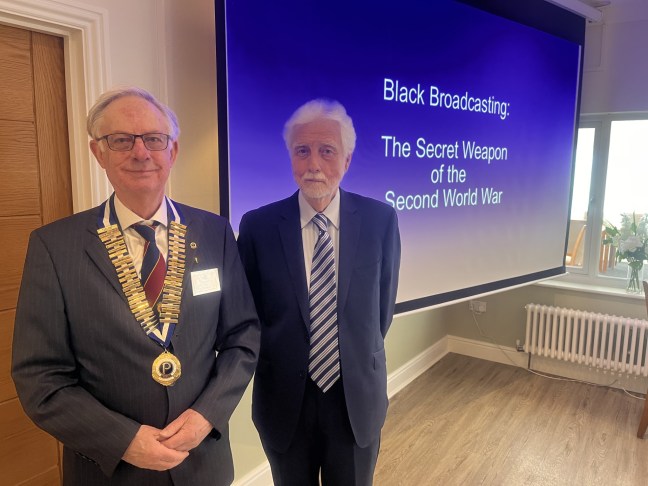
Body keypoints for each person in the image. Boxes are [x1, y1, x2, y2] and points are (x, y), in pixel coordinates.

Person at [11, 86, 260, 486]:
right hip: (111, 472)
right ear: (99, 153)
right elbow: (41, 378)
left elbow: (242, 337)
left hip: (203, 465)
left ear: (172, 151)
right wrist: (123, 440)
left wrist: (206, 415)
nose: (141, 152)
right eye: (122, 140)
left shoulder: (214, 232)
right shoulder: (55, 247)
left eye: (154, 139)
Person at [237, 99, 401, 485]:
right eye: (302, 151)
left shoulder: (379, 220)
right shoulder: (258, 227)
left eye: (327, 150)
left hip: (355, 399)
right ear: (291, 157)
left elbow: (382, 310)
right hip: (284, 402)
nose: (313, 163)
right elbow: (249, 315)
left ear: (347, 159)